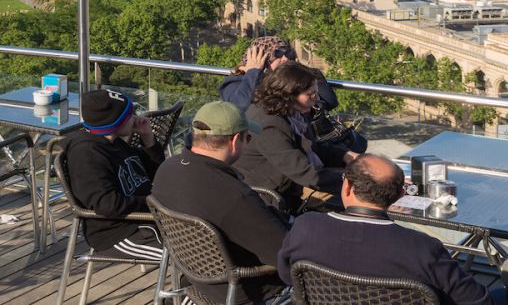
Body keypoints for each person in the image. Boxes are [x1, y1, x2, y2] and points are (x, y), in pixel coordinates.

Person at [278, 154, 489, 305]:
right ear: (399, 194)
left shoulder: (306, 228)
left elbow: (289, 277)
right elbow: (476, 300)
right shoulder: (422, 248)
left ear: (347, 187)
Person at [152, 101, 289, 304]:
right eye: (248, 138)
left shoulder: (167, 169)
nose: (248, 142)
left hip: (196, 276)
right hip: (241, 288)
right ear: (235, 141)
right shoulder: (234, 196)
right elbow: (283, 253)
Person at [57, 88, 165, 262]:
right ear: (116, 122)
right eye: (130, 114)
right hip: (119, 232)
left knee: (205, 244)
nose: (136, 118)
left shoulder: (115, 143)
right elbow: (107, 204)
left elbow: (157, 174)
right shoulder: (87, 154)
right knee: (188, 258)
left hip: (149, 219)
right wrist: (154, 203)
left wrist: (148, 139)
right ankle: (188, 287)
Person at [234, 62, 355, 213]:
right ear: (289, 93)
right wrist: (354, 185)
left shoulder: (293, 111)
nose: (316, 98)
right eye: (311, 94)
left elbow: (312, 146)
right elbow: (303, 172)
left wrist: (345, 155)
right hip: (272, 193)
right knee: (360, 204)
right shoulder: (269, 124)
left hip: (292, 178)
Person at [220, 36, 366, 154]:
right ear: (260, 59)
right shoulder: (235, 82)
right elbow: (239, 107)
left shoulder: (287, 81)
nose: (284, 59)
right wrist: (253, 72)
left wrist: (301, 72)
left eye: (288, 53)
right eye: (277, 54)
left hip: (311, 143)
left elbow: (330, 101)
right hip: (272, 149)